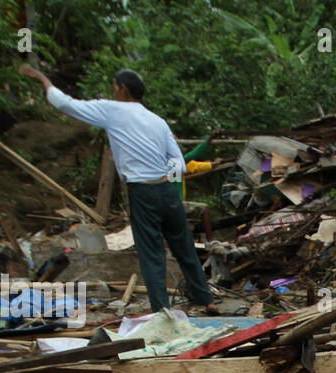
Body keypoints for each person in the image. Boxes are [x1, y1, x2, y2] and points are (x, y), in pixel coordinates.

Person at [18, 65, 215, 314]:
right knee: (184, 246)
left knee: (152, 252)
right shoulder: (157, 121)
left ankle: (162, 311)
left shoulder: (113, 111)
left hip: (142, 191)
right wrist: (166, 181)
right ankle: (206, 299)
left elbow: (65, 104)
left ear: (122, 89)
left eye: (114, 87)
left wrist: (42, 78)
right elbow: (178, 162)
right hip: (166, 190)